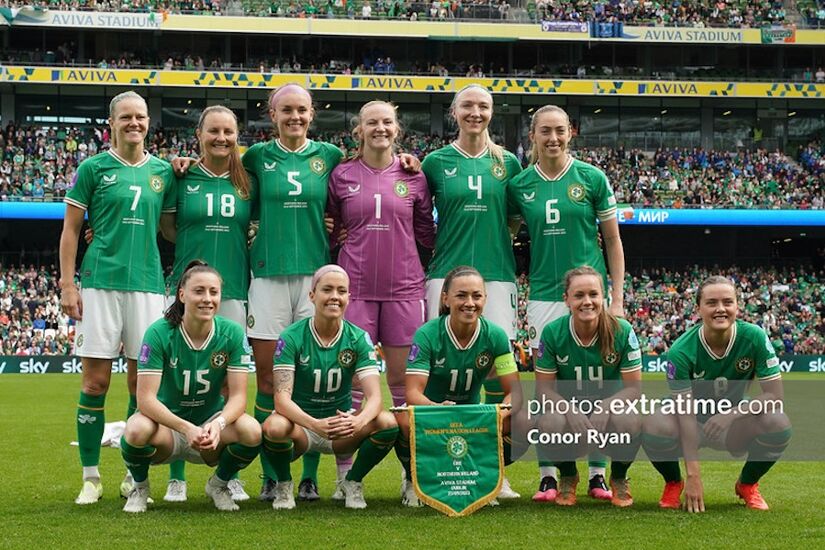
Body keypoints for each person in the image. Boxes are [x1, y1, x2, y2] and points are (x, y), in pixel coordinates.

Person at [60, 90, 176, 505]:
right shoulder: (93, 168)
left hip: (146, 285)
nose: (134, 123)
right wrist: (68, 284)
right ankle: (91, 477)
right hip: (99, 282)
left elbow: (171, 231)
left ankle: (133, 472)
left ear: (148, 122)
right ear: (112, 123)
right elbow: (72, 229)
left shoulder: (164, 171)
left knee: (138, 385)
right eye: (126, 117)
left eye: (141, 117)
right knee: (95, 382)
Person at [507, 104, 626, 502]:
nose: (553, 138)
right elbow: (504, 232)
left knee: (597, 385)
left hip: (592, 297)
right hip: (543, 296)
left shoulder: (591, 178)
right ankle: (549, 474)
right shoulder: (520, 185)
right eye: (545, 131)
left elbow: (612, 240)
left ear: (570, 133)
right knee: (549, 389)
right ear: (533, 136)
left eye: (560, 130)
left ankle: (597, 474)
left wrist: (618, 297)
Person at [421, 84, 523, 498]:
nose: (475, 113)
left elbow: (515, 219)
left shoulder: (508, 162)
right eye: (468, 105)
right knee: (438, 372)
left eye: (483, 106)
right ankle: (433, 467)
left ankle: (494, 471)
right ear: (454, 111)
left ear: (492, 112)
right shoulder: (434, 162)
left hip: (497, 277)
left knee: (498, 377)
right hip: (444, 274)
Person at [162, 105, 254, 503]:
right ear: (198, 134)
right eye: (213, 130)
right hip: (186, 287)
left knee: (224, 383)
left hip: (233, 290)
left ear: (237, 136)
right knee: (174, 379)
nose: (221, 138)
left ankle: (227, 474)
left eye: (228, 131)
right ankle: (175, 475)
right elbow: (166, 225)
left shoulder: (249, 180)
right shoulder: (179, 175)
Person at [120, 261, 261, 512]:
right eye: (199, 291)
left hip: (210, 428)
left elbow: (239, 398)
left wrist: (217, 425)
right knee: (135, 429)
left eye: (213, 292)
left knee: (252, 431)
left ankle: (218, 485)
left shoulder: (233, 334)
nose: (207, 299)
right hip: (168, 429)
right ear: (182, 295)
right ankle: (140, 487)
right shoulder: (158, 333)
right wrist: (186, 428)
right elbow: (145, 400)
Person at [642, 276, 791, 512]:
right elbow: (685, 414)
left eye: (727, 302)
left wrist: (729, 415)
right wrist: (694, 475)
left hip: (733, 423)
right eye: (711, 302)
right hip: (689, 420)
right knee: (654, 426)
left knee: (778, 422)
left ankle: (747, 484)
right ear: (698, 308)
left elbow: (775, 396)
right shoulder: (681, 350)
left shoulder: (754, 337)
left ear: (737, 306)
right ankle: (673, 482)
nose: (720, 309)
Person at [327, 98, 435, 424]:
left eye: (387, 122)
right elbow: (328, 226)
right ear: (359, 130)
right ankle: (348, 473)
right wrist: (334, 234)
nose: (380, 128)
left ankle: (408, 470)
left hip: (403, 289)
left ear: (397, 129)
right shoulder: (341, 174)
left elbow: (427, 234)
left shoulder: (413, 175)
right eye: (372, 122)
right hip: (354, 289)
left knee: (404, 384)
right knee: (354, 383)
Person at [260, 265, 399, 510]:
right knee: (273, 426)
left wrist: (358, 421)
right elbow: (281, 400)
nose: (335, 296)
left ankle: (352, 482)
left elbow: (375, 397)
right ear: (312, 295)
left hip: (340, 429)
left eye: (341, 291)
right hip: (301, 427)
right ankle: (284, 485)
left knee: (387, 423)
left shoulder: (358, 338)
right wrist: (313, 424)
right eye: (327, 289)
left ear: (349, 297)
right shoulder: (291, 336)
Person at [397, 265, 520, 507]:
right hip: (433, 414)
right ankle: (412, 478)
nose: (470, 303)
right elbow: (412, 394)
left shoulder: (496, 335)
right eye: (461, 295)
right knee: (399, 421)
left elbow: (514, 392)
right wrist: (437, 407)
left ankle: (491, 476)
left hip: (473, 417)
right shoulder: (427, 335)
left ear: (485, 298)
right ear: (445, 298)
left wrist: (499, 412)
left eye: (476, 296)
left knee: (524, 420)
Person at [533, 266, 642, 507]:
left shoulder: (621, 331)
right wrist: (569, 409)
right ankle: (568, 475)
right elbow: (543, 391)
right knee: (548, 422)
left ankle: (619, 477)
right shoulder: (552, 332)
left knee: (631, 420)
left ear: (603, 297)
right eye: (579, 295)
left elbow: (634, 390)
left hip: (609, 418)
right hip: (569, 419)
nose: (587, 301)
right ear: (566, 299)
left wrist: (607, 405)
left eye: (593, 294)